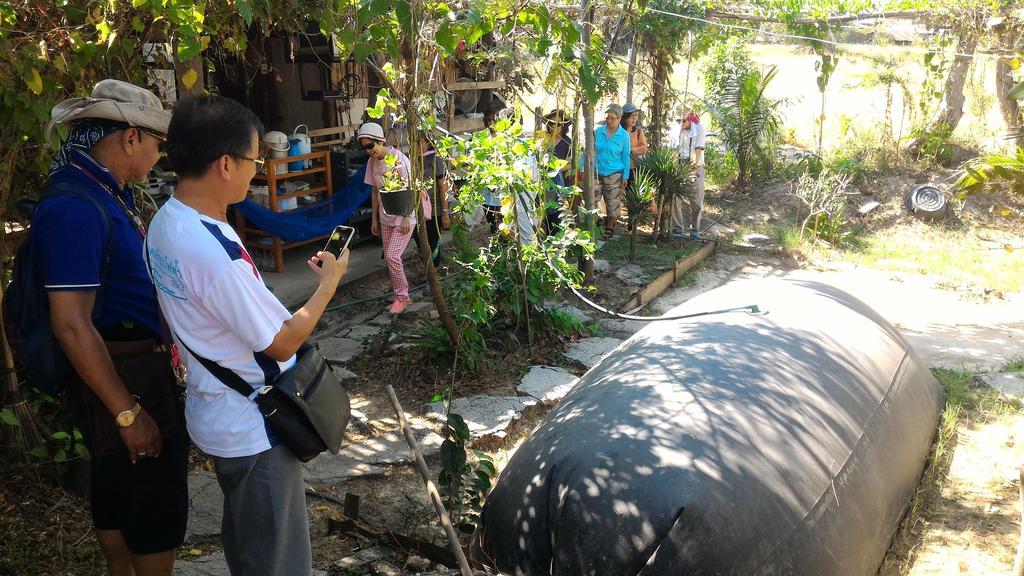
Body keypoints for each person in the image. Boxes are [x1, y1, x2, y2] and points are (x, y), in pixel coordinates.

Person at [146, 95, 350, 576]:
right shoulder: (212, 251)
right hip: (254, 426)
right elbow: (281, 343)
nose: (256, 171)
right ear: (223, 164)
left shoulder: (167, 222)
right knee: (277, 560)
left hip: (216, 410)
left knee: (252, 543)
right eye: (254, 161)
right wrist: (328, 286)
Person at [32, 79, 187, 576]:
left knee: (122, 499)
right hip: (123, 379)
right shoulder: (75, 205)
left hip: (131, 370)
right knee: (149, 510)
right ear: (129, 138)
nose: (159, 155)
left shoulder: (103, 191)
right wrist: (127, 413)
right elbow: (72, 325)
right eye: (157, 143)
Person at [361, 122, 430, 314]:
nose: (368, 151)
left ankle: (403, 297)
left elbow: (410, 188)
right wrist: (374, 219)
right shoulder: (372, 163)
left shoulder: (399, 158)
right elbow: (375, 191)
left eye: (370, 146)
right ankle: (398, 295)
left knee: (392, 256)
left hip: (403, 215)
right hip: (385, 216)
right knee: (390, 259)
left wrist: (408, 216)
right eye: (364, 147)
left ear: (380, 141)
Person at [591, 103, 631, 237]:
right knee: (593, 198)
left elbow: (626, 156)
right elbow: (591, 150)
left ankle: (610, 225)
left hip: (614, 173)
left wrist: (625, 176)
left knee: (612, 201)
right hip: (596, 170)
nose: (609, 121)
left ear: (619, 118)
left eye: (613, 118)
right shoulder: (599, 131)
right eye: (608, 117)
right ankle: (594, 222)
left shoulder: (624, 135)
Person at [415, 134, 450, 267]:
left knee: (433, 241)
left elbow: (443, 185)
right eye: (414, 143)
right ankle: (427, 269)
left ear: (428, 143)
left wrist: (445, 212)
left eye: (421, 143)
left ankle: (434, 271)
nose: (417, 146)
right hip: (417, 209)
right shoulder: (412, 159)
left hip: (434, 208)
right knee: (420, 241)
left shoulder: (436, 160)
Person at [671, 110, 707, 240]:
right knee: (675, 196)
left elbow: (698, 151)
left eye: (684, 120)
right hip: (679, 164)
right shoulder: (675, 129)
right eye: (678, 120)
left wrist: (692, 169)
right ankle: (677, 227)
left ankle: (695, 229)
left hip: (696, 165)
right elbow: (674, 149)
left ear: (690, 119)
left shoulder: (700, 128)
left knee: (697, 197)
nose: (681, 123)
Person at [539, 109, 573, 233]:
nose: (554, 126)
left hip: (560, 183)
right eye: (551, 123)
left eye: (558, 124)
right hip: (542, 182)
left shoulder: (568, 142)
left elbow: (572, 164)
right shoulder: (542, 139)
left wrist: (553, 169)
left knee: (557, 214)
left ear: (563, 126)